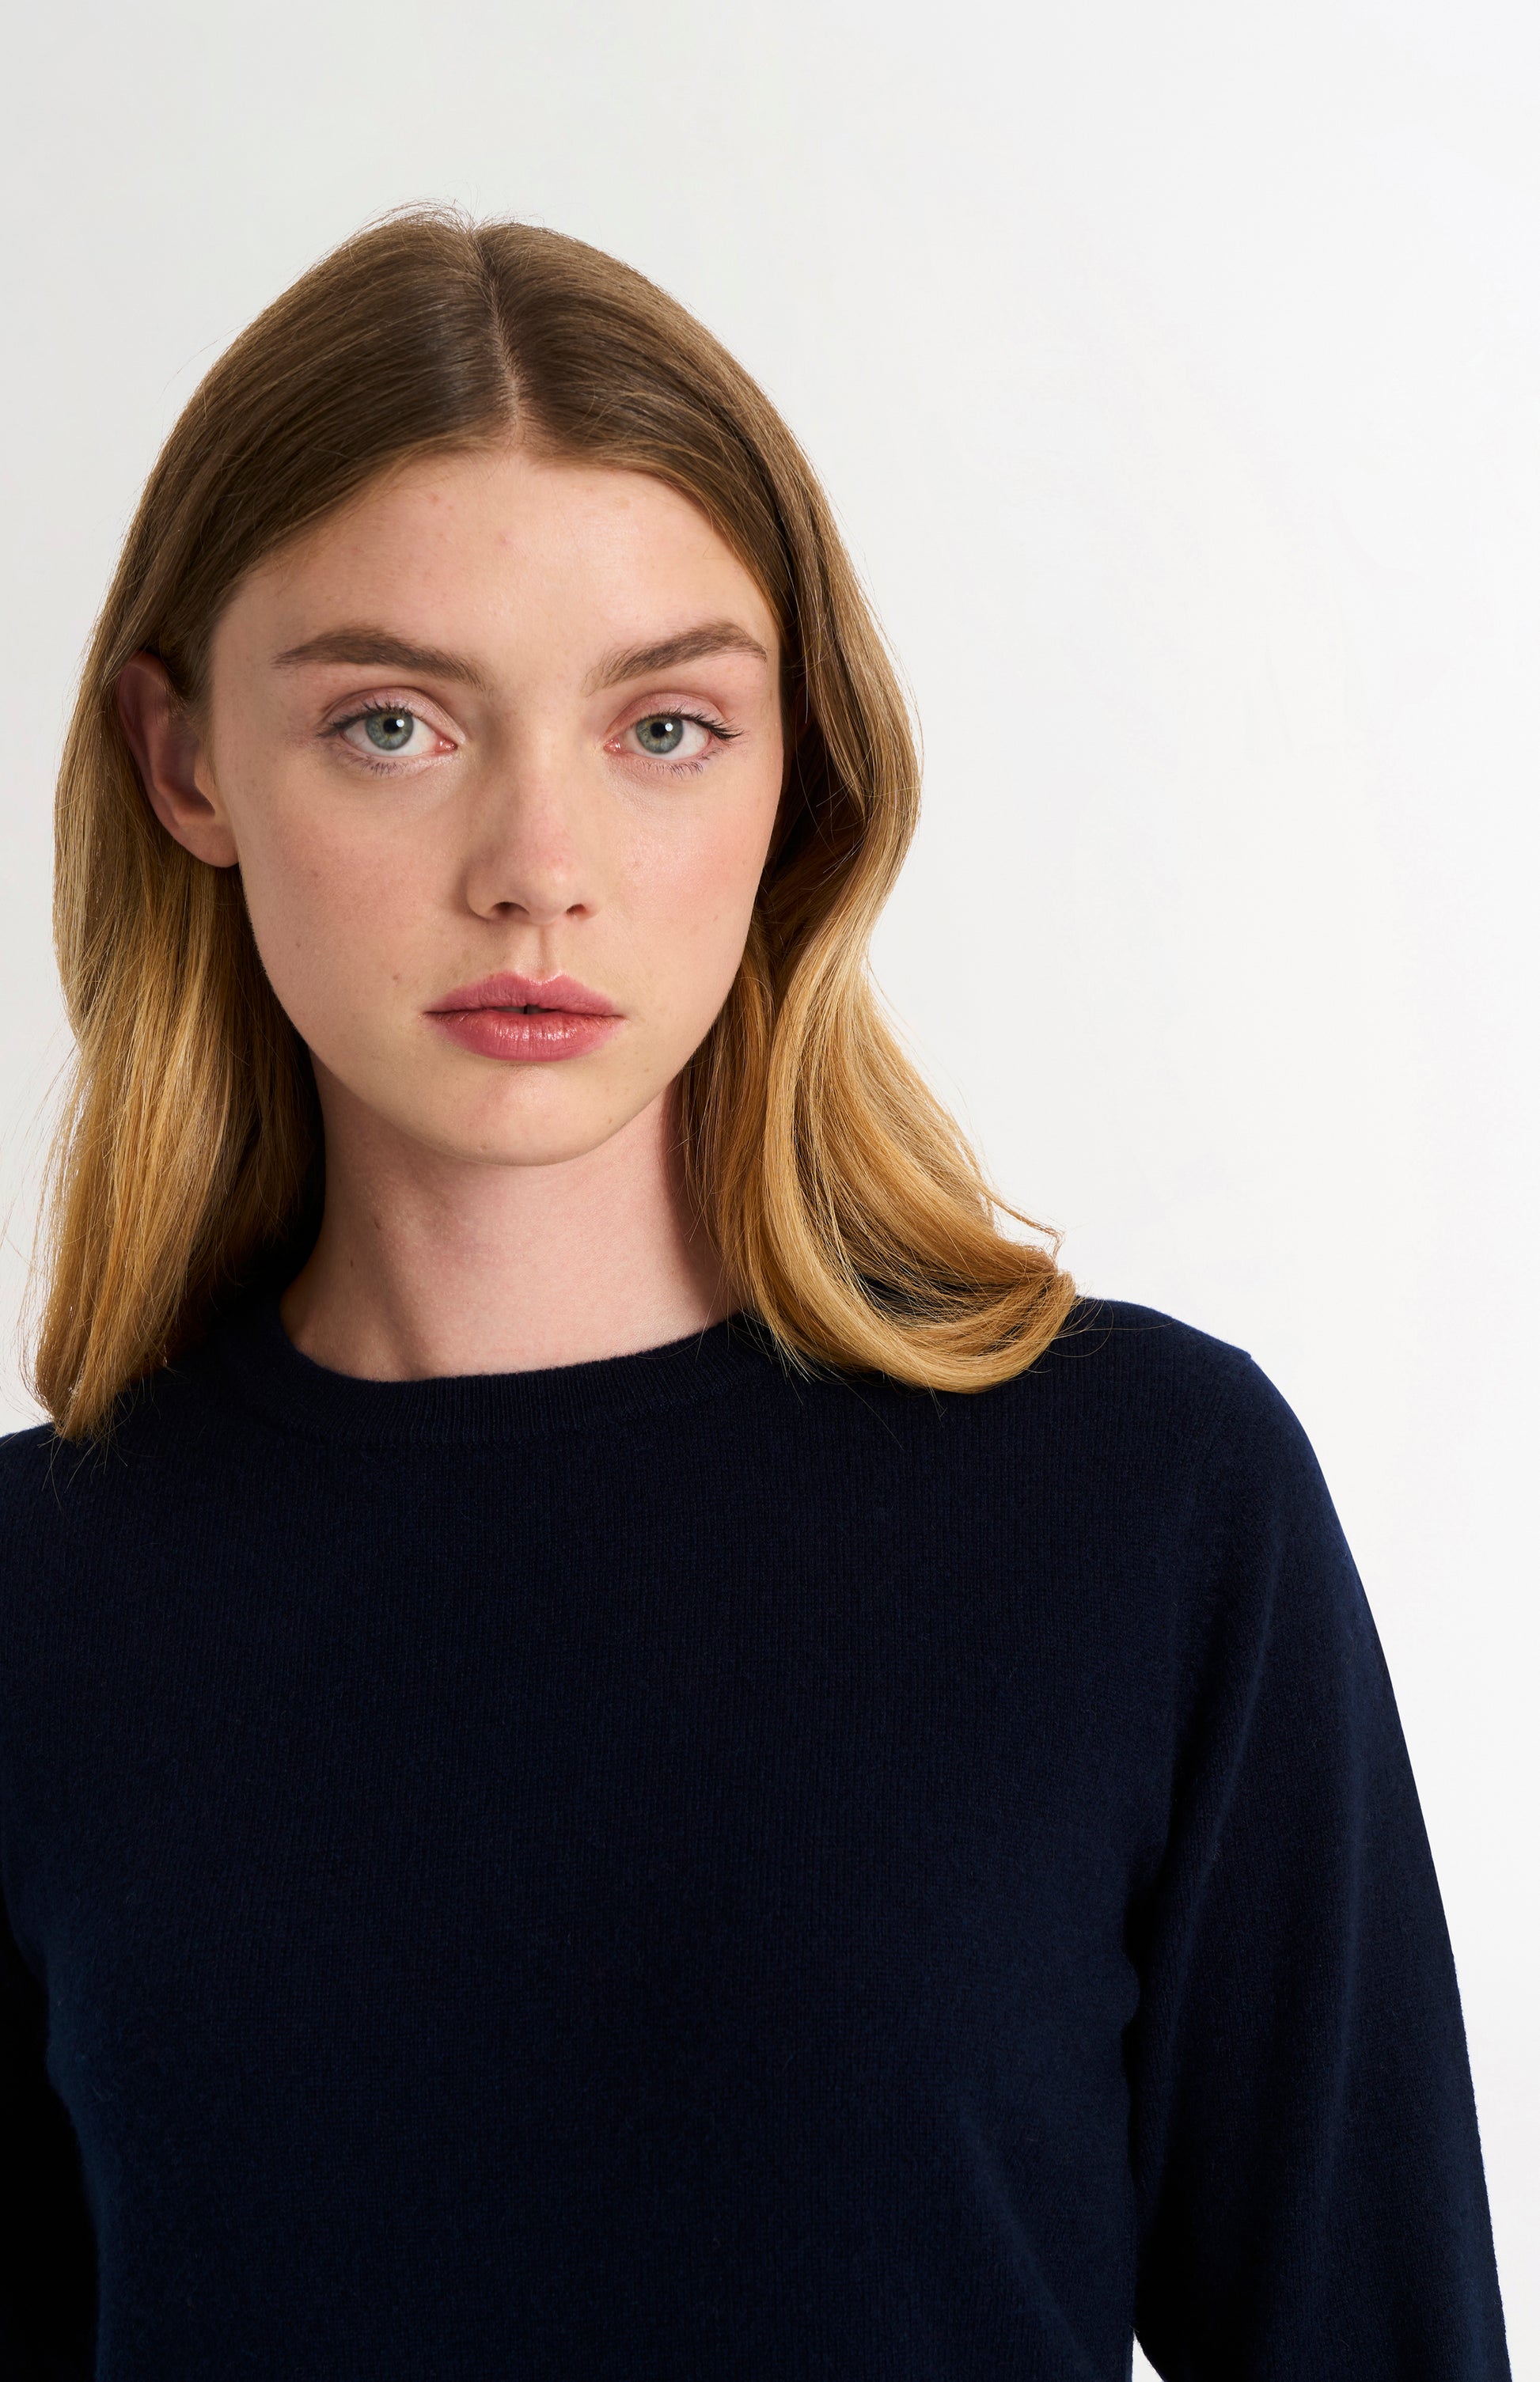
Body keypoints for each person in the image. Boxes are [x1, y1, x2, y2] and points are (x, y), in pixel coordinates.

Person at [0, 207, 1511, 2381]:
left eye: (666, 726)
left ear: (798, 767)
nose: (538, 866)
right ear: (186, 762)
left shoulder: (1147, 1508)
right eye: (394, 722)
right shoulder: (37, 1608)